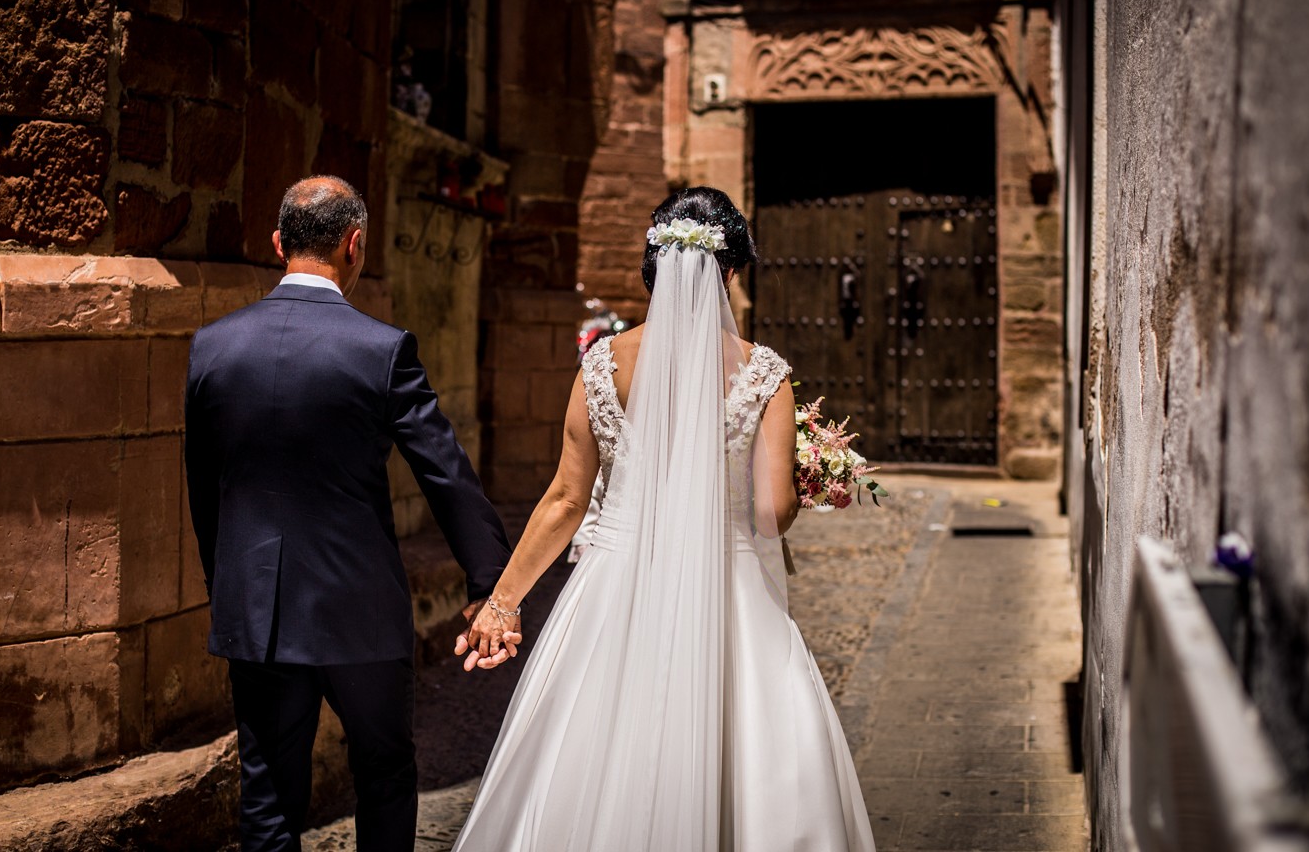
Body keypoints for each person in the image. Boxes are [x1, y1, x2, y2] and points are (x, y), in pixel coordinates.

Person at [452, 187, 876, 851]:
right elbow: (771, 517)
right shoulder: (763, 372)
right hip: (730, 593)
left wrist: (502, 604)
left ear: (653, 269)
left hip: (616, 583)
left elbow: (565, 497)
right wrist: (800, 475)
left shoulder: (602, 363)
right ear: (729, 273)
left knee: (592, 756)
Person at [184, 177, 513, 852]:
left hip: (258, 611)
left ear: (278, 244)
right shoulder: (381, 349)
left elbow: (204, 485)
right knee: (385, 775)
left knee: (269, 794)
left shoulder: (212, 346)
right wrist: (491, 585)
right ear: (355, 245)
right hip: (359, 612)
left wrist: (232, 592)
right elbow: (443, 471)